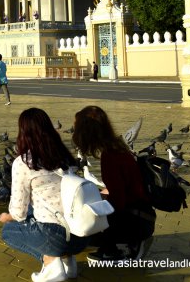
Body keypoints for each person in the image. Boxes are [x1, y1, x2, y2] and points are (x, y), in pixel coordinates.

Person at [0, 108, 90, 282]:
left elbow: (18, 213)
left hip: (56, 236)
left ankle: (51, 262)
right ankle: (67, 261)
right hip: (81, 236)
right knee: (35, 211)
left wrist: (6, 217)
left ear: (23, 132)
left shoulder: (24, 163)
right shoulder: (64, 156)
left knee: (8, 231)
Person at [71, 106, 156, 263]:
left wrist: (93, 208)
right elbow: (124, 186)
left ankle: (115, 250)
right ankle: (129, 241)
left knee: (83, 232)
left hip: (137, 221)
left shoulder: (110, 156)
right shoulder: (117, 147)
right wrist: (103, 193)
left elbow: (117, 203)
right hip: (143, 215)